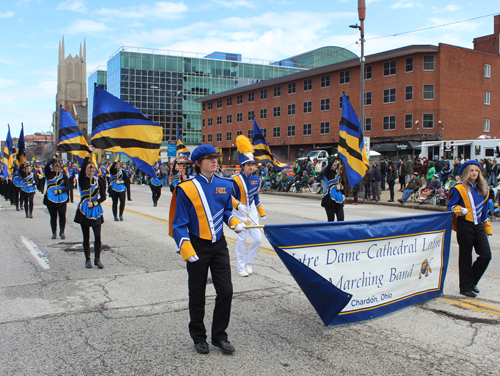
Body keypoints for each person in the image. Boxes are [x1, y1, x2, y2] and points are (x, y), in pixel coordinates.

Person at [169, 145, 243, 355]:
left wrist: (235, 222)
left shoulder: (224, 184)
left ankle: (220, 335)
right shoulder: (185, 188)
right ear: (198, 163)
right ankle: (199, 337)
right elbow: (179, 223)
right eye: (209, 158)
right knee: (197, 294)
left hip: (219, 244)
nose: (214, 161)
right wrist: (185, 247)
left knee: (226, 291)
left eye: (215, 157)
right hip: (197, 244)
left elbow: (226, 211)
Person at [447, 160, 492, 298]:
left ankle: (471, 281)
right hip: (465, 224)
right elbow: (451, 206)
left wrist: (487, 228)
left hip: (478, 225)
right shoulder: (459, 188)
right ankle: (465, 287)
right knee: (465, 256)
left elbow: (484, 210)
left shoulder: (483, 188)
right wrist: (461, 210)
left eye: (477, 171)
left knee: (486, 255)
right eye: (472, 170)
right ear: (466, 172)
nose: (474, 173)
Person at [231, 135, 266, 277]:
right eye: (248, 165)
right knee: (241, 241)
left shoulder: (256, 180)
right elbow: (229, 197)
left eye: (252, 164)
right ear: (243, 166)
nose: (251, 167)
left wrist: (261, 212)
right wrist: (237, 205)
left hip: (251, 212)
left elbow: (256, 197)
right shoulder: (234, 179)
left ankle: (249, 262)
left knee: (257, 239)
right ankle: (240, 267)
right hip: (239, 212)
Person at [74, 146, 107, 269]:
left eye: (92, 167)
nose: (91, 169)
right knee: (86, 236)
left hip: (95, 209)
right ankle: (87, 259)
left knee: (98, 236)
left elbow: (103, 197)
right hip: (84, 210)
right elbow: (82, 168)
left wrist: (94, 203)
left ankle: (97, 259)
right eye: (89, 168)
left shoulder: (99, 181)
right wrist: (89, 153)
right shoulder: (83, 179)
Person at [44, 151, 69, 239]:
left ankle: (62, 231)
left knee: (62, 215)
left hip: (61, 197)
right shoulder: (49, 174)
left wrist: (60, 191)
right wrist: (55, 157)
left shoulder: (63, 176)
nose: (57, 167)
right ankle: (53, 232)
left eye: (59, 166)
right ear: (53, 167)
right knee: (53, 216)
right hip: (50, 198)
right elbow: (47, 165)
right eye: (55, 166)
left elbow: (68, 187)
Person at [321, 157, 345, 221]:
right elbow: (330, 164)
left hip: (338, 197)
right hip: (329, 197)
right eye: (334, 162)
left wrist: (341, 186)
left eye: (336, 162)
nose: (335, 163)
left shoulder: (339, 173)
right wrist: (336, 155)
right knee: (331, 219)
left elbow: (344, 184)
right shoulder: (327, 171)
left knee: (341, 218)